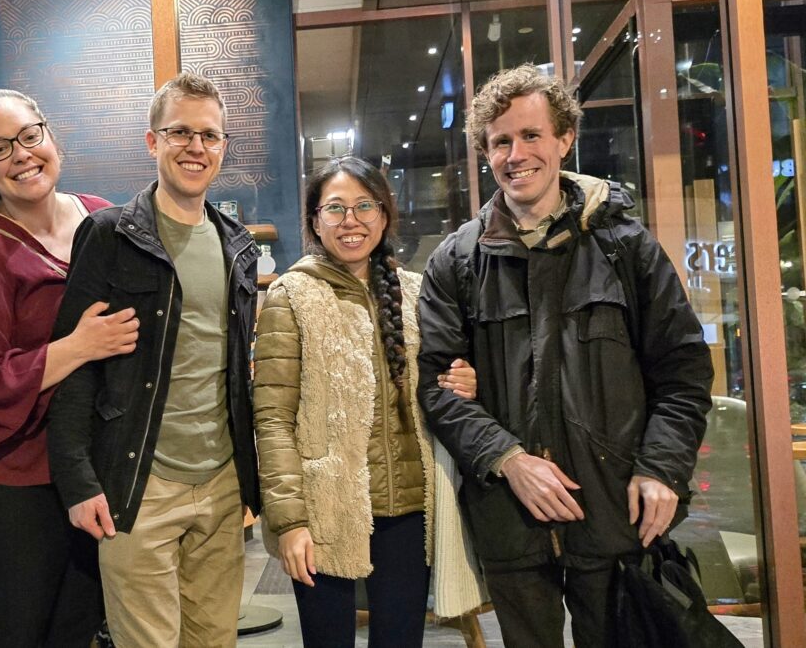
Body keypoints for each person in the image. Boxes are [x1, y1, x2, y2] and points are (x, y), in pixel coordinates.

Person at [416, 64, 714, 647]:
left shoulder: (625, 246)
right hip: (510, 516)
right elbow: (435, 388)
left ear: (564, 139)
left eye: (531, 136)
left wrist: (661, 469)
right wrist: (506, 458)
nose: (516, 153)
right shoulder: (456, 261)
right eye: (501, 141)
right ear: (485, 151)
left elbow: (682, 374)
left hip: (613, 508)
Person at [47, 72, 259, 648]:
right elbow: (75, 366)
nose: (196, 147)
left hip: (221, 485)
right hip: (139, 485)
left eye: (209, 136)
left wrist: (250, 486)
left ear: (222, 146)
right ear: (152, 141)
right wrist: (78, 481)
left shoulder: (238, 245)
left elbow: (235, 371)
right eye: (181, 132)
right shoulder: (111, 234)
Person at [254, 156, 488, 648]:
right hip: (325, 511)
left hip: (408, 510)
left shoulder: (416, 292)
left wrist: (465, 380)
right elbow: (272, 419)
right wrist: (290, 522)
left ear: (384, 215)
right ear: (315, 221)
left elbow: (442, 380)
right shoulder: (291, 295)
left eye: (364, 206)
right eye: (335, 208)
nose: (351, 221)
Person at [0, 89, 139, 647]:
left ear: (50, 137)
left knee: (79, 629)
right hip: (10, 482)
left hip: (90, 472)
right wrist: (78, 345)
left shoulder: (101, 218)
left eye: (29, 135)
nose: (21, 154)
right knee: (21, 632)